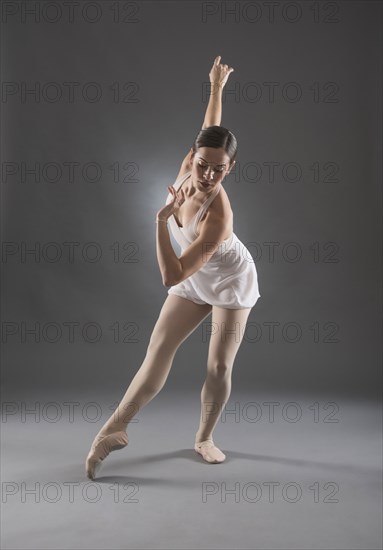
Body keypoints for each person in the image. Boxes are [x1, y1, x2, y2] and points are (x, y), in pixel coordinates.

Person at [85, 56, 261, 480]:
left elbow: (170, 275)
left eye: (219, 169)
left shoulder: (219, 219)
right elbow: (209, 127)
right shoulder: (192, 164)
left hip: (231, 281)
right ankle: (116, 427)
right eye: (202, 163)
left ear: (230, 168)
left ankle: (204, 437)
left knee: (218, 366)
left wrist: (161, 220)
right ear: (193, 155)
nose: (206, 174)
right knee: (157, 352)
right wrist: (217, 87)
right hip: (195, 277)